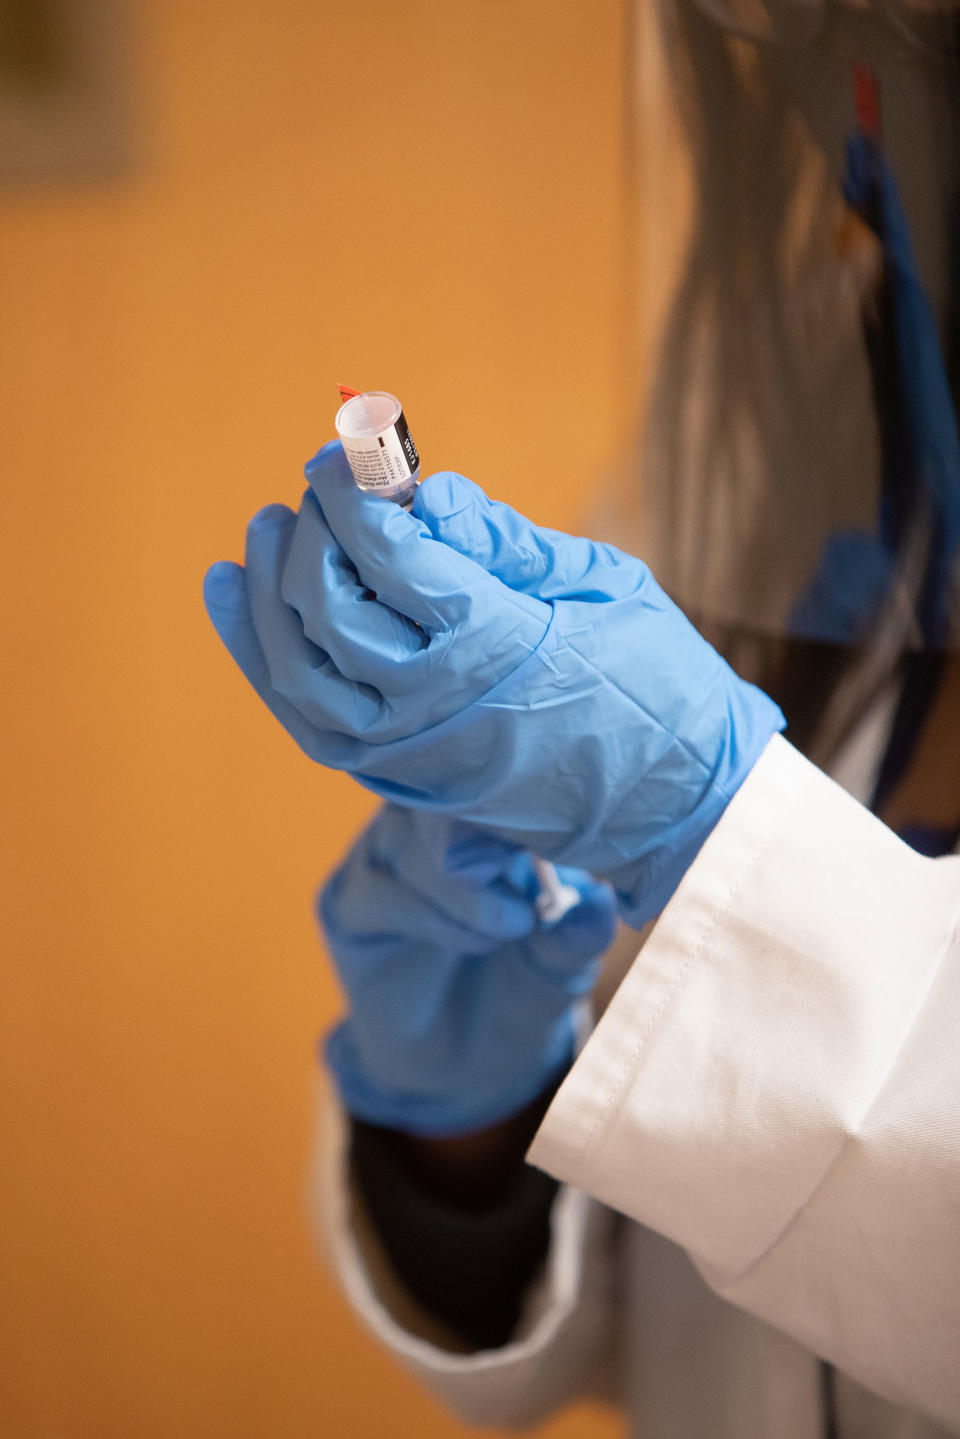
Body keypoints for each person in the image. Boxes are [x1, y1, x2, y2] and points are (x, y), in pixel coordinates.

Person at [204, 3, 960, 1435]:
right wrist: (464, 1123)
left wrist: (714, 826)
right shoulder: (793, 408)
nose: (848, 95)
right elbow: (641, 1292)